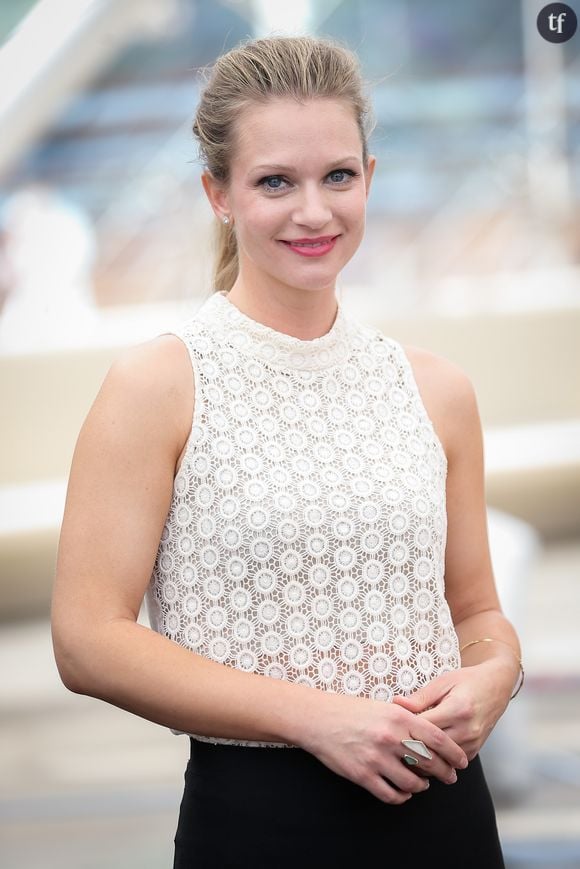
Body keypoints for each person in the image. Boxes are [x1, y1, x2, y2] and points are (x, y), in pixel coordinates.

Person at [51, 34, 524, 869]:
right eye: (276, 181)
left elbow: (478, 613)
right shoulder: (159, 385)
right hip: (260, 826)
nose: (314, 211)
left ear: (370, 179)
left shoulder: (438, 390)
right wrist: (317, 716)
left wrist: (495, 676)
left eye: (338, 175)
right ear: (218, 195)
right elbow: (87, 639)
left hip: (445, 816)